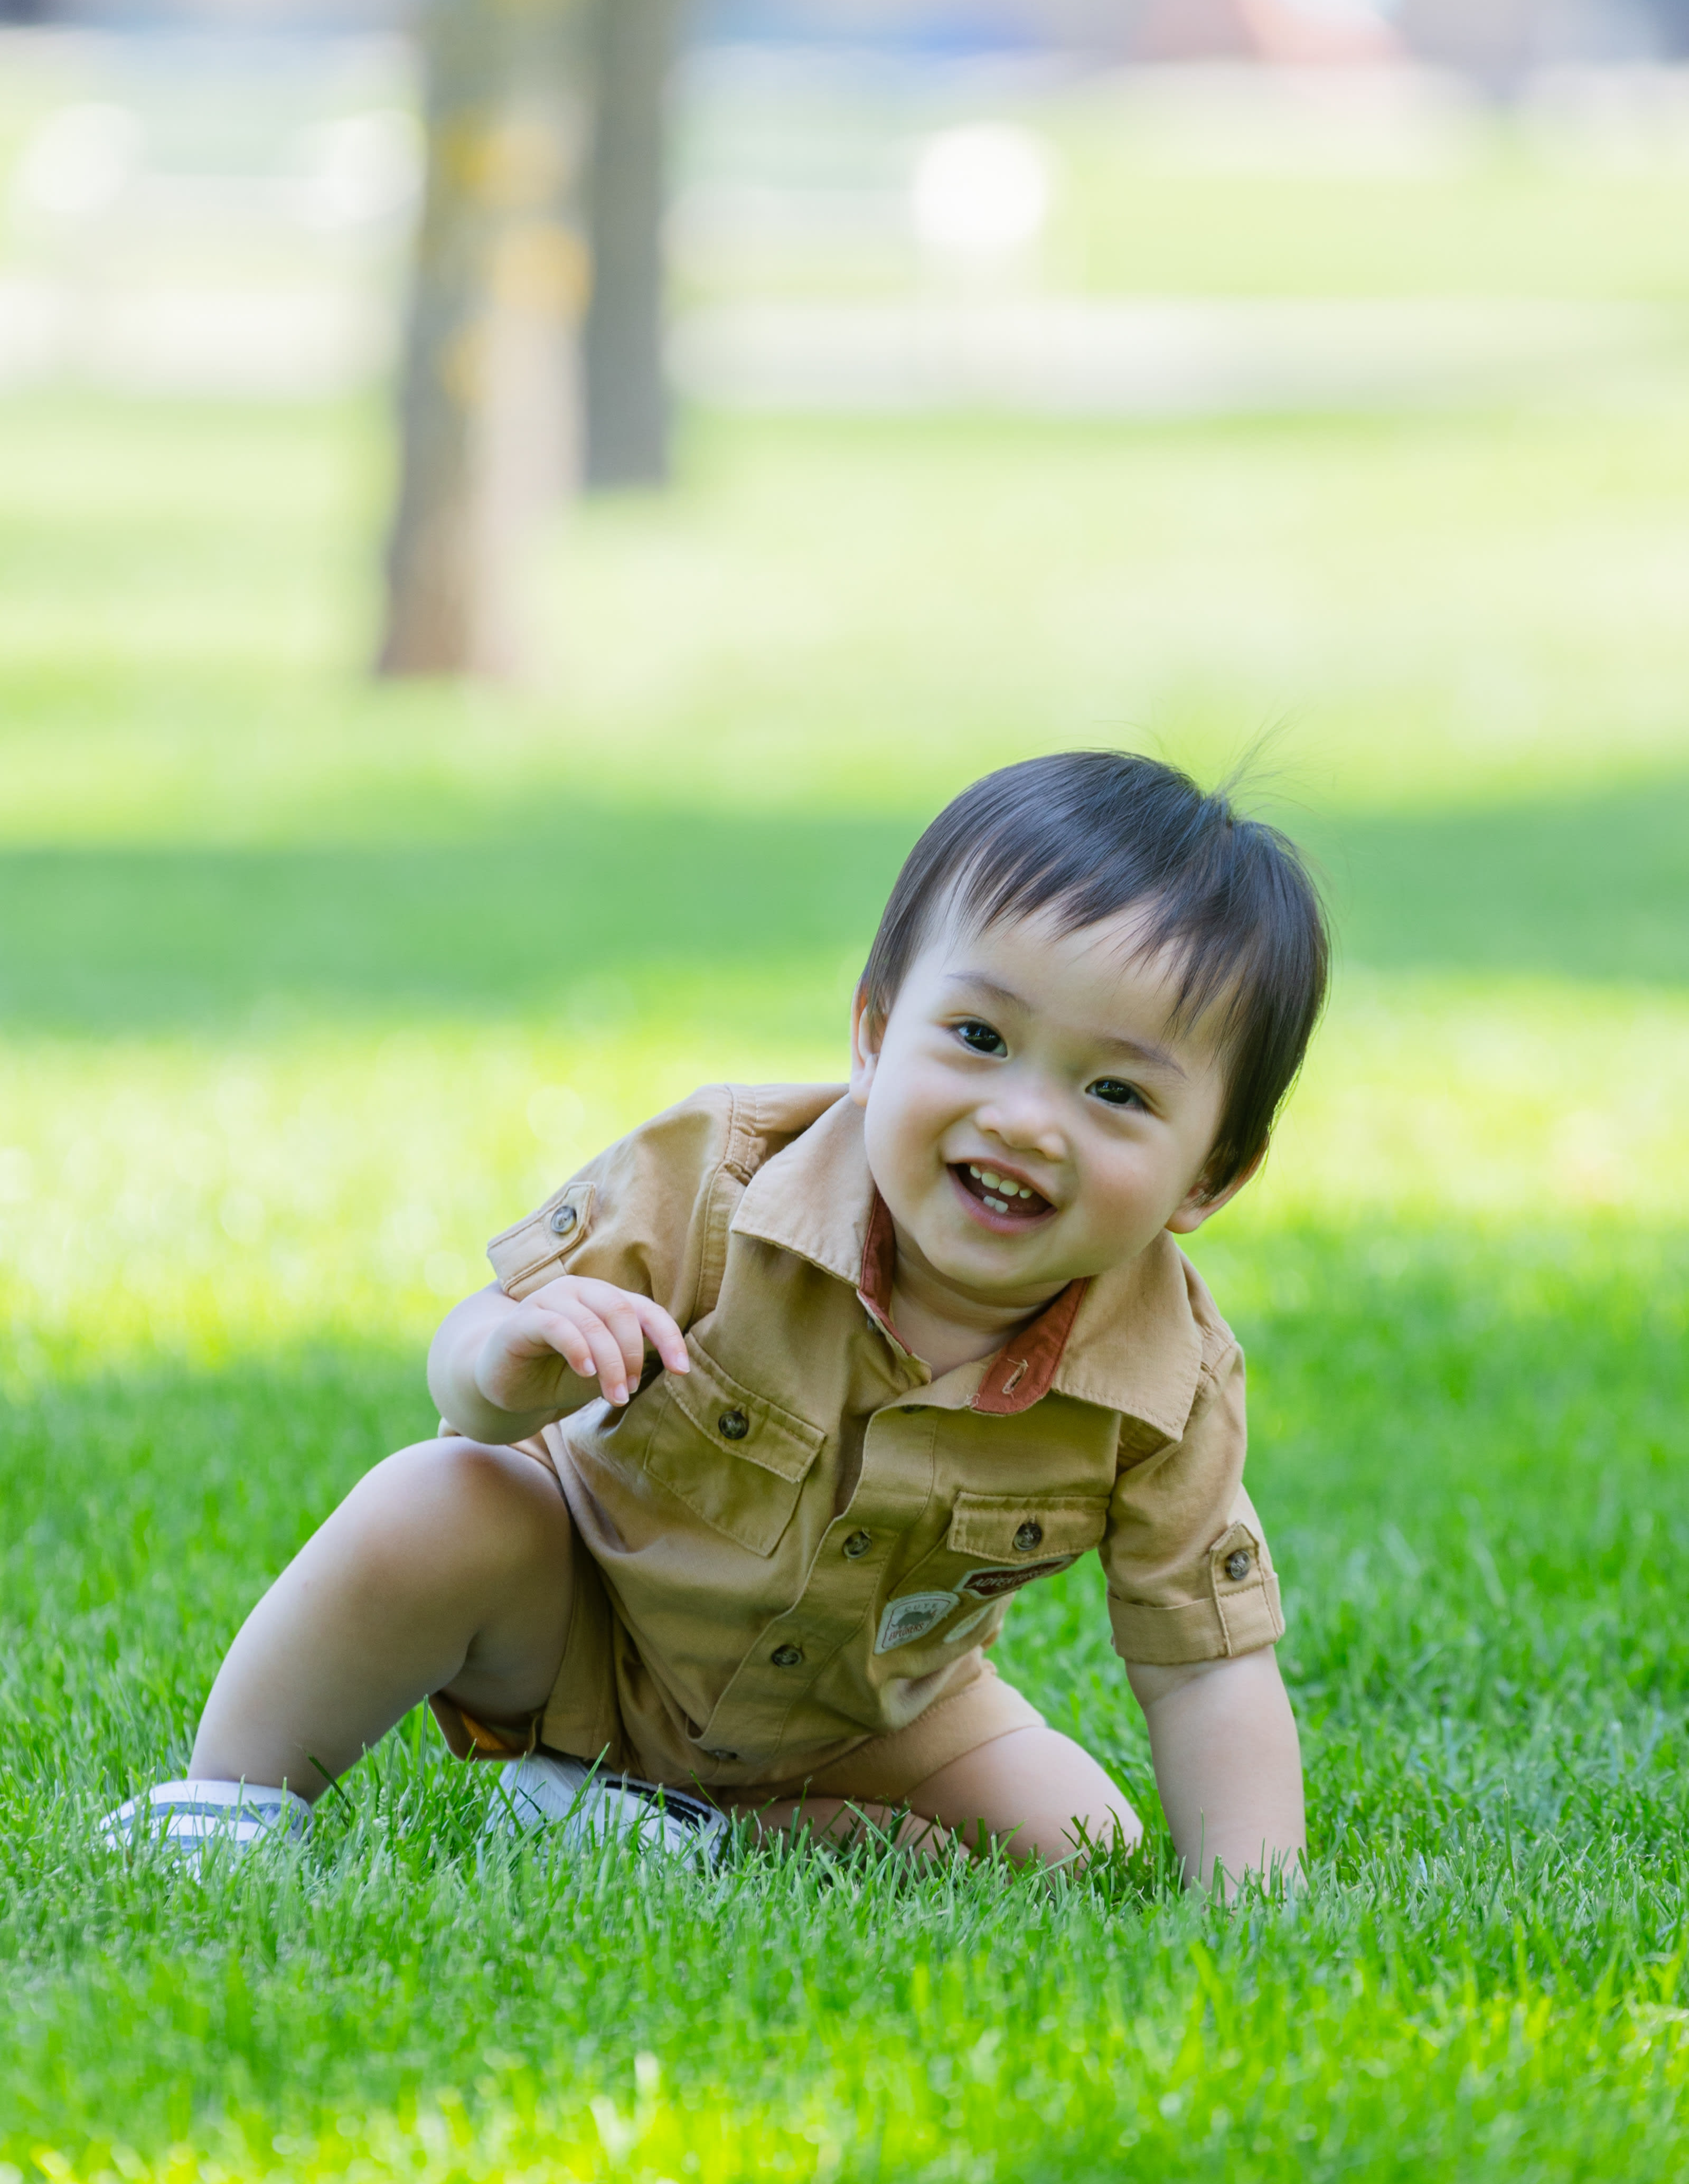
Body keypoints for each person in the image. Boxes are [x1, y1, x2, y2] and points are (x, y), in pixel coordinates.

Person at [110, 752, 1326, 1887]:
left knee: (1086, 1841)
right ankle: (233, 1801)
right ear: (872, 1031)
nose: (1023, 1117)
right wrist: (508, 1353)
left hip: (867, 1709)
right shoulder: (720, 1177)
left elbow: (1205, 1659)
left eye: (1114, 1090)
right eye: (979, 1037)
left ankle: (649, 1822)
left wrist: (1256, 1906)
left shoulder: (1168, 1378)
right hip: (580, 1621)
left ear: (1211, 1174)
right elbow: (470, 1375)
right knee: (436, 1501)